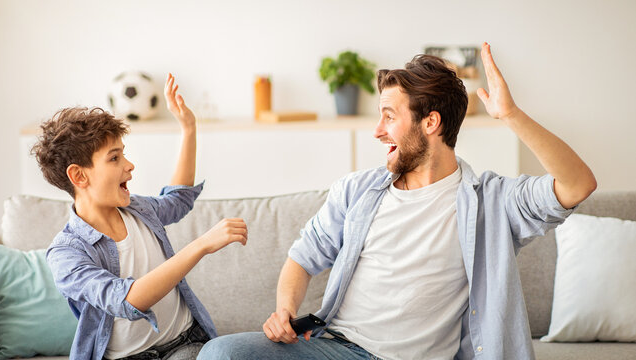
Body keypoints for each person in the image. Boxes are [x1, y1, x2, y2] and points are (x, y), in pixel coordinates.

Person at [198, 42, 597, 360]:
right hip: (335, 348)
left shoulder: (493, 202)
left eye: (389, 116)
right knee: (221, 353)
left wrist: (510, 115)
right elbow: (302, 258)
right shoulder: (358, 191)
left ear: (431, 122)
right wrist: (285, 309)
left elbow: (577, 185)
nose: (377, 130)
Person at [34, 74, 248, 360]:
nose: (129, 165)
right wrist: (200, 246)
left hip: (186, 343)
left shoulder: (138, 210)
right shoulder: (65, 254)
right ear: (78, 175)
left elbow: (179, 199)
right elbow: (126, 300)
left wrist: (188, 127)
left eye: (124, 154)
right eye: (114, 158)